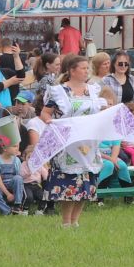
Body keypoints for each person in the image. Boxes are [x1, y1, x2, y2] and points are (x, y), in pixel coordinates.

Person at [42, 56, 103, 228]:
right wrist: (52, 123)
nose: (86, 71)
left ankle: (76, 220)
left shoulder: (93, 90)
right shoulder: (59, 91)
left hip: (88, 142)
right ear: (72, 71)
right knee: (70, 182)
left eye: (87, 68)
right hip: (68, 143)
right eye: (83, 68)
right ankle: (66, 221)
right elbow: (45, 113)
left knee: (86, 181)